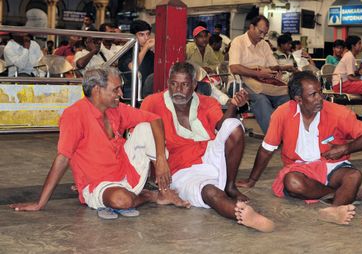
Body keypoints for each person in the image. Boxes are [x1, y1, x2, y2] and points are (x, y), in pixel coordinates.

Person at [10, 67, 190, 219]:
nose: (120, 93)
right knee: (122, 201)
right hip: (99, 184)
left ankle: (164, 190)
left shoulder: (116, 109)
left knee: (145, 127)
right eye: (115, 89)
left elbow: (155, 119)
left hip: (127, 172)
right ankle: (151, 196)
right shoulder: (74, 115)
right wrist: (40, 203)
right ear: (97, 90)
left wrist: (160, 159)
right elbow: (63, 159)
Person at [141, 62, 275, 232]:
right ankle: (244, 215)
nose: (178, 90)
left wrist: (233, 105)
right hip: (182, 170)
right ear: (168, 83)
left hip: (210, 156)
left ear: (194, 85)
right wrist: (158, 161)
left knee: (233, 125)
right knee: (210, 192)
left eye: (184, 85)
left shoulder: (207, 102)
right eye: (173, 84)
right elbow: (141, 134)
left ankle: (230, 186)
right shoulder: (152, 102)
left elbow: (221, 127)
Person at [237, 72, 362, 225]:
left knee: (354, 176)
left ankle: (333, 210)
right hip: (300, 169)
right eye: (313, 95)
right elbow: (266, 149)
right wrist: (251, 180)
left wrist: (345, 148)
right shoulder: (282, 114)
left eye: (320, 92)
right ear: (299, 100)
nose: (320, 98)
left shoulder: (338, 112)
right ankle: (347, 194)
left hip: (333, 167)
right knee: (292, 182)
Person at [229, 15, 295, 134]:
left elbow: (273, 65)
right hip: (241, 84)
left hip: (263, 83)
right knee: (261, 100)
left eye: (265, 33)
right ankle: (273, 137)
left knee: (287, 98)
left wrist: (277, 70)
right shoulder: (238, 42)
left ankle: (291, 133)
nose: (262, 36)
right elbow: (234, 68)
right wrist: (257, 73)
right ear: (251, 27)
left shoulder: (264, 44)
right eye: (260, 32)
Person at [118, 20, 155, 99]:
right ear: (133, 36)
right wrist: (145, 48)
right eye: (141, 35)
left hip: (148, 88)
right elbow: (133, 66)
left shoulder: (150, 53)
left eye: (148, 34)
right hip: (131, 88)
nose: (146, 38)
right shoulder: (126, 51)